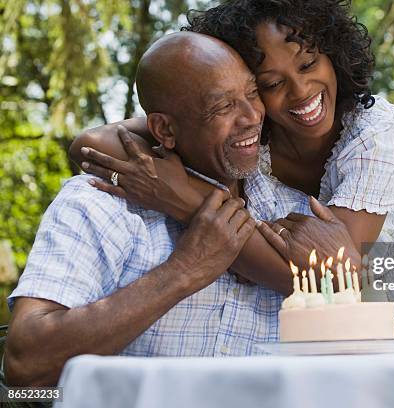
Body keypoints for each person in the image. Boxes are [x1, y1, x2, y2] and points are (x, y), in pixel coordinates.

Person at [71, 0, 394, 351]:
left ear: (333, 52)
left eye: (309, 63)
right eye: (271, 83)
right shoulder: (249, 129)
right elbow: (92, 143)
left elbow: (327, 276)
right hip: (360, 327)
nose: (301, 91)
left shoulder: (375, 132)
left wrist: (186, 198)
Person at [5, 32, 356, 387]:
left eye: (253, 93)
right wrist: (185, 270)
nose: (252, 117)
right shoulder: (99, 202)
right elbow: (26, 366)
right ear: (164, 129)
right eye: (223, 106)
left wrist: (352, 278)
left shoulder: (301, 213)